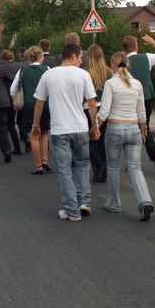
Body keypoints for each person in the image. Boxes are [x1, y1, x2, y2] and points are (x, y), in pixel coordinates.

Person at [33, 44, 100, 221]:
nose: (81, 61)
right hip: (80, 128)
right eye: (80, 58)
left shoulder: (48, 75)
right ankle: (84, 202)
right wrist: (95, 126)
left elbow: (39, 103)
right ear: (73, 56)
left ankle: (71, 210)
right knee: (83, 165)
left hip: (60, 130)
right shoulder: (83, 75)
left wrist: (35, 125)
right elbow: (92, 103)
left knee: (65, 170)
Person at [97, 52, 154, 221]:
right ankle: (145, 200)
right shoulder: (137, 84)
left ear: (112, 66)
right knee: (135, 167)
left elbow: (104, 111)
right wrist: (143, 128)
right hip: (134, 128)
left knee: (113, 167)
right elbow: (141, 111)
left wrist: (95, 126)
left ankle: (114, 203)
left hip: (115, 128)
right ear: (128, 65)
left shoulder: (110, 84)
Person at [123, 34, 155, 173]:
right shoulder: (146, 57)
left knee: (130, 129)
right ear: (136, 46)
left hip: (129, 99)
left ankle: (133, 160)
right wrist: (153, 42)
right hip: (146, 97)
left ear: (124, 48)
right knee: (145, 128)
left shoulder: (122, 62)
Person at [11, 46, 51, 172]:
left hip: (29, 105)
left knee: (34, 135)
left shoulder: (23, 70)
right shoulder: (47, 69)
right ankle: (45, 160)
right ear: (40, 56)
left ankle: (38, 166)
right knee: (44, 133)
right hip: (44, 104)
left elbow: (12, 90)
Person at [85, 44, 112, 182]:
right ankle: (104, 170)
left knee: (90, 142)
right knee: (101, 142)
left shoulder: (86, 73)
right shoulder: (108, 72)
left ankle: (98, 169)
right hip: (104, 109)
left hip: (89, 108)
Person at [0, 49, 22, 155]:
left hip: (6, 98)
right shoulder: (19, 66)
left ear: (3, 58)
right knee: (21, 122)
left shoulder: (1, 68)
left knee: (8, 124)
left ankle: (14, 148)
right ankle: (26, 143)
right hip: (18, 96)